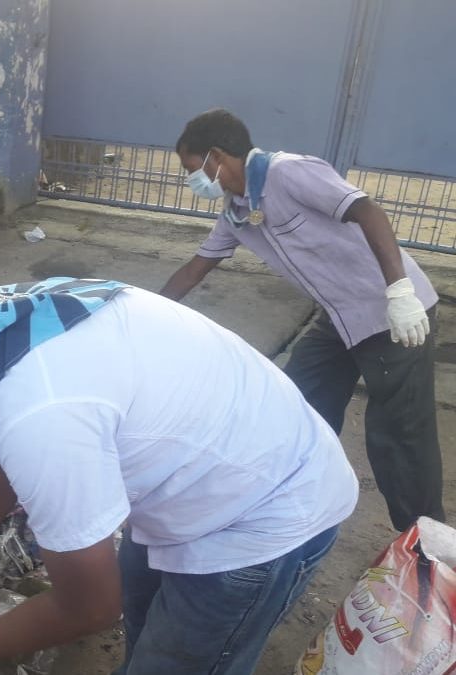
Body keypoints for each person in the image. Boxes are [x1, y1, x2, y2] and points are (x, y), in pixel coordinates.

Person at [0, 280, 358, 674]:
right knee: (145, 613)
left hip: (264, 512)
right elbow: (10, 440)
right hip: (214, 462)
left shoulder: (40, 413)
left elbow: (89, 609)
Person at [160, 108, 442, 532]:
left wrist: (399, 292)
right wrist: (139, 310)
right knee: (298, 404)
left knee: (399, 437)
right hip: (340, 318)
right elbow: (196, 268)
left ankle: (425, 546)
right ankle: (295, 508)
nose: (191, 180)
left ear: (216, 157)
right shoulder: (237, 210)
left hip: (390, 311)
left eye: (191, 168)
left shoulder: (288, 173)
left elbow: (368, 211)